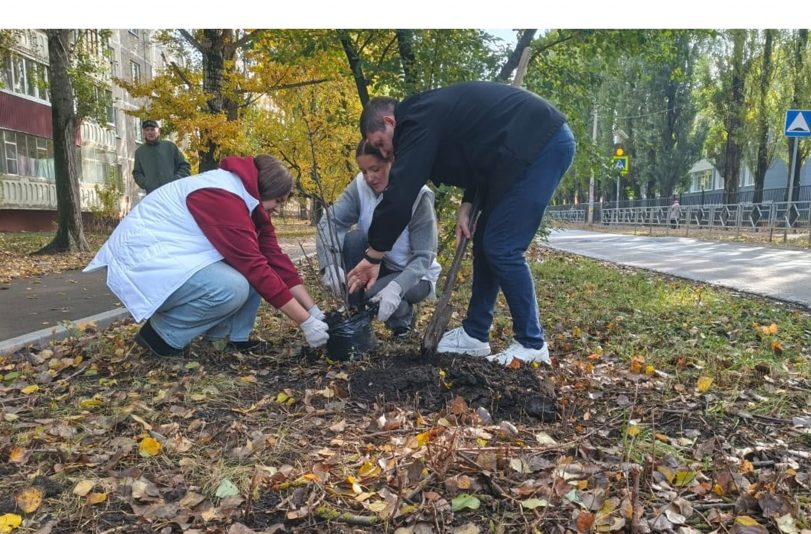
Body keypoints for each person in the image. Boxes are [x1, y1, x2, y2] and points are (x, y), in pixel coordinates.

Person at [348, 81, 575, 365]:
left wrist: (374, 254)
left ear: (390, 121)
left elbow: (402, 191)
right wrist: (468, 202)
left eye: (381, 143)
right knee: (486, 244)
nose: (386, 153)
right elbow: (482, 151)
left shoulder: (416, 120)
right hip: (515, 155)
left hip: (541, 145)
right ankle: (475, 334)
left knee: (502, 246)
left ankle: (531, 343)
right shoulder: (427, 113)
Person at [85, 154, 329, 357]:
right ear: (267, 188)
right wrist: (304, 322)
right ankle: (160, 337)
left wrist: (314, 311)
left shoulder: (246, 200)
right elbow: (254, 266)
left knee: (257, 273)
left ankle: (227, 340)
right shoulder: (223, 197)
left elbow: (275, 259)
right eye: (278, 200)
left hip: (173, 256)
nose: (277, 208)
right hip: (146, 262)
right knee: (232, 286)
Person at [317, 140, 442, 338]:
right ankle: (356, 317)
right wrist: (329, 265)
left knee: (374, 295)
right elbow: (330, 222)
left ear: (392, 162)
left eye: (375, 169)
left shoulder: (418, 196)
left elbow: (423, 258)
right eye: (364, 171)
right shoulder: (360, 186)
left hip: (415, 274)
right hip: (377, 263)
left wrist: (397, 286)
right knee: (354, 238)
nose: (369, 178)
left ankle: (401, 322)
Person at [132, 119, 191, 194]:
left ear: (158, 131)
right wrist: (146, 183)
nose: (150, 132)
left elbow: (184, 166)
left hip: (173, 192)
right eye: (147, 130)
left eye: (153, 129)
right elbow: (137, 173)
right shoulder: (140, 152)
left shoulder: (170, 147)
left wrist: (175, 180)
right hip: (153, 194)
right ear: (144, 133)